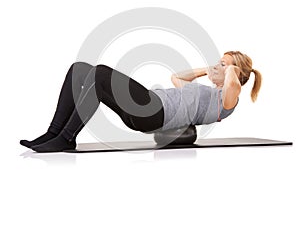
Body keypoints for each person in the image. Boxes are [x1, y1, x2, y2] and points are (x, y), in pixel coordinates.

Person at [20, 50, 262, 152]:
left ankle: (66, 138)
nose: (218, 65)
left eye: (223, 63)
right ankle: (53, 134)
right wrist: (208, 70)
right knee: (80, 69)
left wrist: (230, 68)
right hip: (149, 103)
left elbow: (232, 84)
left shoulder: (226, 100)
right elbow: (177, 77)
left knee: (101, 73)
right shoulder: (204, 93)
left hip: (154, 113)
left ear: (236, 73)